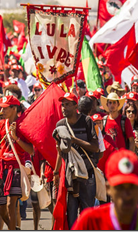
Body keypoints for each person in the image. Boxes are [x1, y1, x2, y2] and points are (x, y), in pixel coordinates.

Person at [71, 150, 138, 230]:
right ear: (108, 189)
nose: (127, 194)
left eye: (132, 186)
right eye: (120, 187)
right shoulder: (90, 222)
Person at [0, 94, 34, 230]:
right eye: (1, 108)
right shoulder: (0, 125)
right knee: (1, 209)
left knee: (10, 204)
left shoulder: (23, 125)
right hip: (2, 169)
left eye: (5, 108)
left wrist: (15, 137)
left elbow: (31, 150)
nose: (1, 112)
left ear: (14, 109)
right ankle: (15, 228)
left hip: (16, 169)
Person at [54, 92, 99, 228]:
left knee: (87, 213)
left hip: (87, 174)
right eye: (63, 105)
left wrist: (74, 140)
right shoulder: (60, 124)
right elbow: (59, 151)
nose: (64, 108)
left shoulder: (87, 121)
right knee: (71, 214)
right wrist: (56, 172)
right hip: (70, 176)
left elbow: (95, 147)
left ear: (75, 106)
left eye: (67, 105)